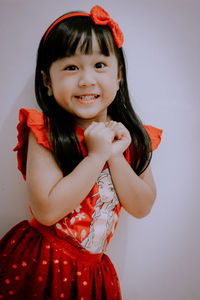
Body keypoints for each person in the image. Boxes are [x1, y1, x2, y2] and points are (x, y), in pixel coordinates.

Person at [0, 5, 162, 300]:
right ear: (47, 81)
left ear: (119, 76)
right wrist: (95, 156)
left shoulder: (131, 139)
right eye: (71, 67)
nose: (87, 79)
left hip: (92, 275)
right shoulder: (46, 132)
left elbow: (142, 206)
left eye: (99, 65)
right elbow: (46, 211)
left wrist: (114, 155)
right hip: (42, 264)